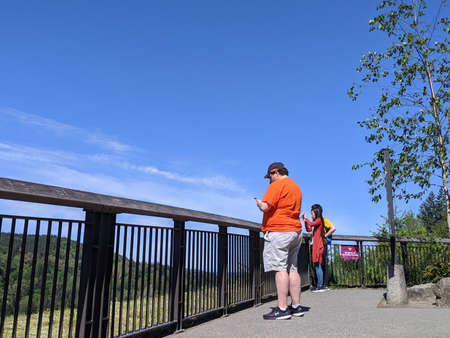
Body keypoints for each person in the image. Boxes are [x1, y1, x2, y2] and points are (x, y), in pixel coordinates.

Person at [255, 162, 303, 320]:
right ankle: (296, 306)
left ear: (275, 172)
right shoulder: (296, 187)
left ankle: (282, 309)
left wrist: (258, 203)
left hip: (279, 230)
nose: (269, 180)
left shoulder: (276, 185)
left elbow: (266, 207)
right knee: (293, 269)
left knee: (280, 269)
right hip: (295, 231)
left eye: (269, 176)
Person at [302, 205, 326, 293]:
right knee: (316, 266)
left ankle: (320, 285)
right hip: (315, 245)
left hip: (318, 246)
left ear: (316, 213)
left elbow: (311, 224)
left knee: (318, 266)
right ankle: (319, 285)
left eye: (312, 213)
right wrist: (305, 221)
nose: (311, 215)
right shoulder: (317, 221)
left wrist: (306, 219)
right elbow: (308, 229)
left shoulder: (319, 220)